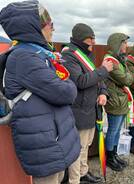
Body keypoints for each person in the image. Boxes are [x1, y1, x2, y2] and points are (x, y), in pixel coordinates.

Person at [0, 1, 81, 184]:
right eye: (48, 22)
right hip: (44, 143)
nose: (52, 27)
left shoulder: (37, 54)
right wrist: (67, 82)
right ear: (31, 27)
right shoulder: (25, 57)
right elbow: (67, 93)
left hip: (49, 137)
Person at [62, 23, 113, 183]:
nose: (93, 41)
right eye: (90, 38)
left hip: (91, 109)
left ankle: (83, 173)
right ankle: (74, 179)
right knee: (78, 149)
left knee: (86, 146)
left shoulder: (85, 54)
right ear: (80, 38)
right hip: (79, 111)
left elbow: (97, 78)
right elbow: (81, 81)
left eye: (94, 37)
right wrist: (104, 70)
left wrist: (103, 92)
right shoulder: (69, 55)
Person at [104, 33, 134, 171]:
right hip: (115, 100)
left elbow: (129, 77)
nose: (126, 46)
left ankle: (114, 154)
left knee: (117, 131)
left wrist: (128, 74)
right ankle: (109, 157)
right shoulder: (111, 61)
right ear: (118, 44)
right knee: (113, 130)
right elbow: (127, 80)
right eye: (124, 43)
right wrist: (128, 75)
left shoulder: (120, 60)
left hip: (121, 99)